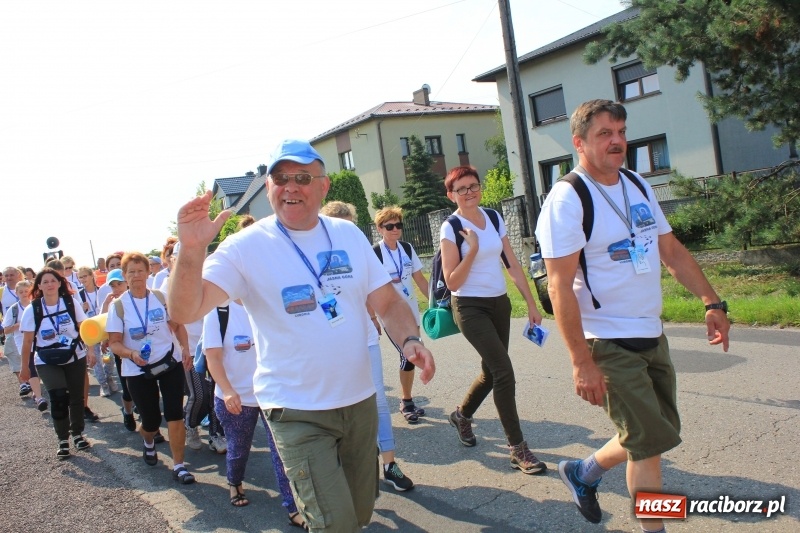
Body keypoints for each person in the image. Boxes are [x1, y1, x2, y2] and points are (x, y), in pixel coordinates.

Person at [169, 138, 435, 532]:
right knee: (334, 523)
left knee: (360, 513)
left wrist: (410, 340)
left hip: (358, 402)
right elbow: (184, 310)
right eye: (280, 178)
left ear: (323, 186)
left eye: (302, 177)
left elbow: (389, 302)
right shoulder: (245, 247)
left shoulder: (347, 235)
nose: (290, 186)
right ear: (270, 187)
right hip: (296, 410)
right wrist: (191, 251)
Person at [536, 99, 731, 530]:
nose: (618, 141)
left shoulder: (635, 184)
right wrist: (581, 362)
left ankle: (582, 472)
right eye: (605, 133)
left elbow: (671, 251)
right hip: (605, 341)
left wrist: (711, 302)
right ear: (579, 142)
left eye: (621, 132)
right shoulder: (568, 198)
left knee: (655, 432)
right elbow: (558, 285)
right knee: (647, 446)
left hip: (651, 332)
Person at [440, 165, 547, 475]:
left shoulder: (495, 218)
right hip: (469, 307)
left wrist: (530, 303)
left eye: (473, 185)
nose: (470, 191)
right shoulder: (451, 227)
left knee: (491, 371)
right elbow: (452, 281)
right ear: (452, 195)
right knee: (503, 371)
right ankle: (517, 448)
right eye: (462, 188)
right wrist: (471, 249)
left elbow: (512, 264)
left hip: (499, 304)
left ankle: (462, 415)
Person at [321, 201, 415, 492]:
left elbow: (379, 292)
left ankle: (389, 464)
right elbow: (321, 302)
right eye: (341, 225)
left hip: (366, 338)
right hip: (332, 345)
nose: (347, 231)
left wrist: (377, 319)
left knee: (378, 402)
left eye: (351, 225)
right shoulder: (314, 257)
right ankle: (346, 466)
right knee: (338, 406)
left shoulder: (360, 252)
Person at [205, 300, 305, 525]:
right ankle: (235, 482)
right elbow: (213, 358)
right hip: (236, 396)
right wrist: (228, 390)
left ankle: (293, 507)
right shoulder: (219, 312)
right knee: (239, 448)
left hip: (272, 393)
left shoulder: (266, 303)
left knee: (282, 451)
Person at [106, 252, 195, 484]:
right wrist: (131, 354)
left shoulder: (160, 297)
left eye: (140, 270)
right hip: (137, 369)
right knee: (152, 421)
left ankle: (179, 466)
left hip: (168, 361)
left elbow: (177, 325)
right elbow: (114, 343)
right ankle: (147, 440)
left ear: (148, 272)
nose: (136, 275)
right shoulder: (119, 307)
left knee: (175, 414)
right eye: (131, 271)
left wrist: (185, 348)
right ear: (124, 276)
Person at [19, 268, 91, 459]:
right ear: (39, 286)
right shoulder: (33, 308)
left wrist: (91, 350)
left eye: (53, 280)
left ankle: (77, 434)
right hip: (46, 360)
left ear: (60, 283)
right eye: (45, 282)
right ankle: (63, 440)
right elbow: (27, 341)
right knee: (58, 397)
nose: (50, 284)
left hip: (74, 355)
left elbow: (83, 328)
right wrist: (24, 367)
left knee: (76, 397)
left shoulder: (70, 303)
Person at [373, 206, 429, 424]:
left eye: (398, 225)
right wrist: (372, 317)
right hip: (389, 314)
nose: (395, 229)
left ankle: (408, 398)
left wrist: (436, 303)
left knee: (413, 355)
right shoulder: (375, 253)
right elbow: (369, 289)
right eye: (390, 226)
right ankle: (406, 401)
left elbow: (420, 279)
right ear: (380, 229)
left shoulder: (406, 248)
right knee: (408, 355)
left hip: (411, 311)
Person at [2, 279, 48, 410]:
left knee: (40, 365)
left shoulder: (37, 305)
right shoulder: (14, 309)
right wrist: (18, 325)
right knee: (30, 366)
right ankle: (38, 396)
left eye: (26, 291)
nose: (24, 294)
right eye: (21, 292)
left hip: (39, 339)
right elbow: (6, 329)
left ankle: (36, 390)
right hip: (22, 341)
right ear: (16, 293)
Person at [78, 266, 119, 397]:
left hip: (104, 327)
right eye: (80, 277)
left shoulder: (101, 290)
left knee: (109, 356)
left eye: (85, 276)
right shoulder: (79, 295)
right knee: (95, 359)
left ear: (91, 276)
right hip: (89, 330)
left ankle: (109, 377)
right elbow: (77, 314)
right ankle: (103, 385)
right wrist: (82, 308)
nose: (83, 279)